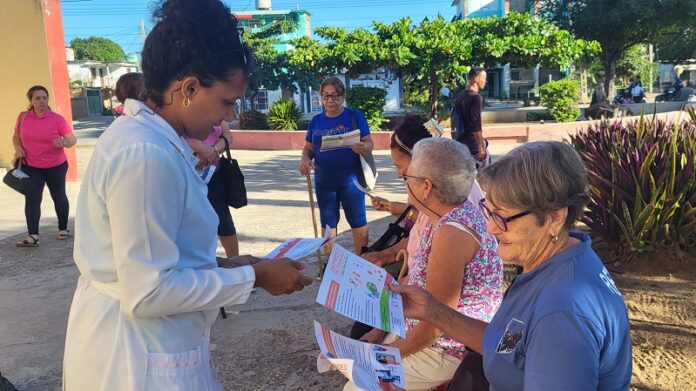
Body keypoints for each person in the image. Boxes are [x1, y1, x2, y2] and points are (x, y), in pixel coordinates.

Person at [63, 1, 312, 389]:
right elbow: (148, 291)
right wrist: (255, 277)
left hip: (157, 343)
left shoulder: (156, 141)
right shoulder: (145, 154)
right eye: (226, 101)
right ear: (189, 88)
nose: (227, 118)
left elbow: (159, 255)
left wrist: (232, 264)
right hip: (138, 355)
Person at [391, 141, 632, 391]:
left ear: (554, 218)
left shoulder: (561, 313)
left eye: (503, 217)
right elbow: (510, 345)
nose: (491, 228)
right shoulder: (558, 261)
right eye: (489, 211)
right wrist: (434, 311)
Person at [345, 138, 504, 391]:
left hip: (449, 349)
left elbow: (435, 326)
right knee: (358, 357)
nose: (404, 181)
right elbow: (415, 285)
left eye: (406, 176)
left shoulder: (453, 233)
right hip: (424, 333)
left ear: (426, 187)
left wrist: (388, 354)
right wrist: (379, 334)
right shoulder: (438, 216)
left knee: (358, 385)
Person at [365, 114, 484, 271]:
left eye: (403, 169)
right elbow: (418, 235)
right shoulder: (437, 198)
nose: (399, 175)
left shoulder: (450, 214)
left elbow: (435, 291)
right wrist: (385, 255)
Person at [300, 77, 373, 255]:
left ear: (343, 96)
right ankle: (330, 263)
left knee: (358, 221)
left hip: (351, 181)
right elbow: (308, 148)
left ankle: (362, 260)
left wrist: (364, 147)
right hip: (324, 181)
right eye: (325, 96)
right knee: (328, 224)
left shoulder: (354, 116)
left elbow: (369, 143)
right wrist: (304, 159)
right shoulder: (316, 121)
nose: (330, 101)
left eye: (335, 96)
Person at [11, 85, 77, 247]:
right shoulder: (23, 117)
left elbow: (72, 140)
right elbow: (16, 137)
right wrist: (18, 148)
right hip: (31, 165)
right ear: (31, 101)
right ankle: (33, 236)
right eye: (37, 98)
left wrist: (63, 142)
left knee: (58, 195)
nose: (41, 101)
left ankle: (63, 229)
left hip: (56, 165)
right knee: (32, 198)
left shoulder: (57, 119)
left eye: (44, 98)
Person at [185, 120, 239, 257]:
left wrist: (213, 151)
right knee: (192, 222)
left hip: (214, 173)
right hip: (187, 173)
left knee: (224, 220)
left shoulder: (217, 110)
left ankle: (235, 261)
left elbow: (227, 136)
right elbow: (174, 136)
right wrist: (199, 148)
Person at [453, 66, 490, 168]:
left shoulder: (461, 94)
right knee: (483, 175)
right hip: (473, 144)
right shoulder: (476, 97)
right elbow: (476, 123)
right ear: (476, 79)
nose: (485, 81)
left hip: (461, 142)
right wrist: (481, 147)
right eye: (483, 78)